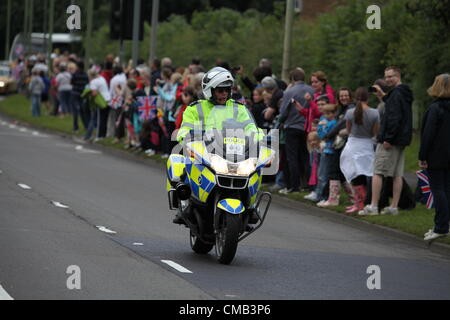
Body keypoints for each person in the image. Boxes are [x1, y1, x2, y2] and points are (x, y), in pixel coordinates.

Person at [359, 66, 413, 216]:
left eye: (391, 76)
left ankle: (373, 206)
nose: (388, 79)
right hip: (401, 140)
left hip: (390, 140)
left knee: (378, 172)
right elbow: (398, 110)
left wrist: (388, 138)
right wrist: (383, 95)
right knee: (397, 174)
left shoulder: (396, 94)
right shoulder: (404, 92)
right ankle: (393, 207)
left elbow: (394, 118)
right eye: (386, 77)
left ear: (398, 75)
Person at [177, 67, 260, 144]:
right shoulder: (194, 109)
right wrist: (191, 137)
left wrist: (257, 138)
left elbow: (251, 128)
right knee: (176, 159)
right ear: (209, 91)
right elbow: (183, 132)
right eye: (220, 91)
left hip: (236, 153)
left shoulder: (238, 108)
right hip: (203, 154)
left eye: (227, 90)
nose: (224, 94)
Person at [419, 74, 450, 241]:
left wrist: (422, 156)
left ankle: (441, 226)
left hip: (436, 155)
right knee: (447, 189)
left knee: (438, 190)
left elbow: (428, 134)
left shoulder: (435, 108)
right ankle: (445, 223)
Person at [340, 88, 380, 213]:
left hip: (353, 144)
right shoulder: (374, 113)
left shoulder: (350, 112)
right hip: (367, 144)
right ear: (368, 98)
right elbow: (375, 132)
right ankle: (364, 202)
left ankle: (359, 203)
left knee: (354, 174)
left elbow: (349, 130)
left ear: (355, 98)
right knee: (366, 173)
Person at [278, 68, 315, 194]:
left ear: (292, 79)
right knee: (306, 157)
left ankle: (294, 186)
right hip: (307, 127)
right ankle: (309, 185)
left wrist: (281, 122)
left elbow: (283, 112)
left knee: (292, 157)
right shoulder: (312, 90)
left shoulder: (290, 91)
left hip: (292, 126)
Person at [70, 61, 89, 133]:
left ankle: (75, 127)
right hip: (82, 93)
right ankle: (86, 126)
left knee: (75, 110)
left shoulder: (75, 74)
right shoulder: (85, 74)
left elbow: (72, 82)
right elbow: (87, 83)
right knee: (82, 110)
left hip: (75, 93)